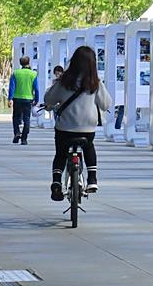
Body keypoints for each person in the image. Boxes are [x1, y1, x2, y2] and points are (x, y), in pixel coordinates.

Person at [44, 46, 112, 199]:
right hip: (87, 128)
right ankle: (92, 179)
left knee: (61, 153)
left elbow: (49, 99)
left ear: (73, 62)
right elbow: (106, 104)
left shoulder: (64, 82)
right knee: (89, 146)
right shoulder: (95, 83)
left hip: (65, 128)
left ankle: (56, 182)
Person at [9, 55, 39, 145]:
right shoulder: (33, 74)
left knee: (15, 117)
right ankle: (24, 138)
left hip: (17, 99)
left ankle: (17, 133)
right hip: (28, 99)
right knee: (27, 119)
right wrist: (36, 99)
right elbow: (36, 88)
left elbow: (12, 87)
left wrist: (10, 98)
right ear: (28, 63)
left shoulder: (16, 73)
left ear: (20, 63)